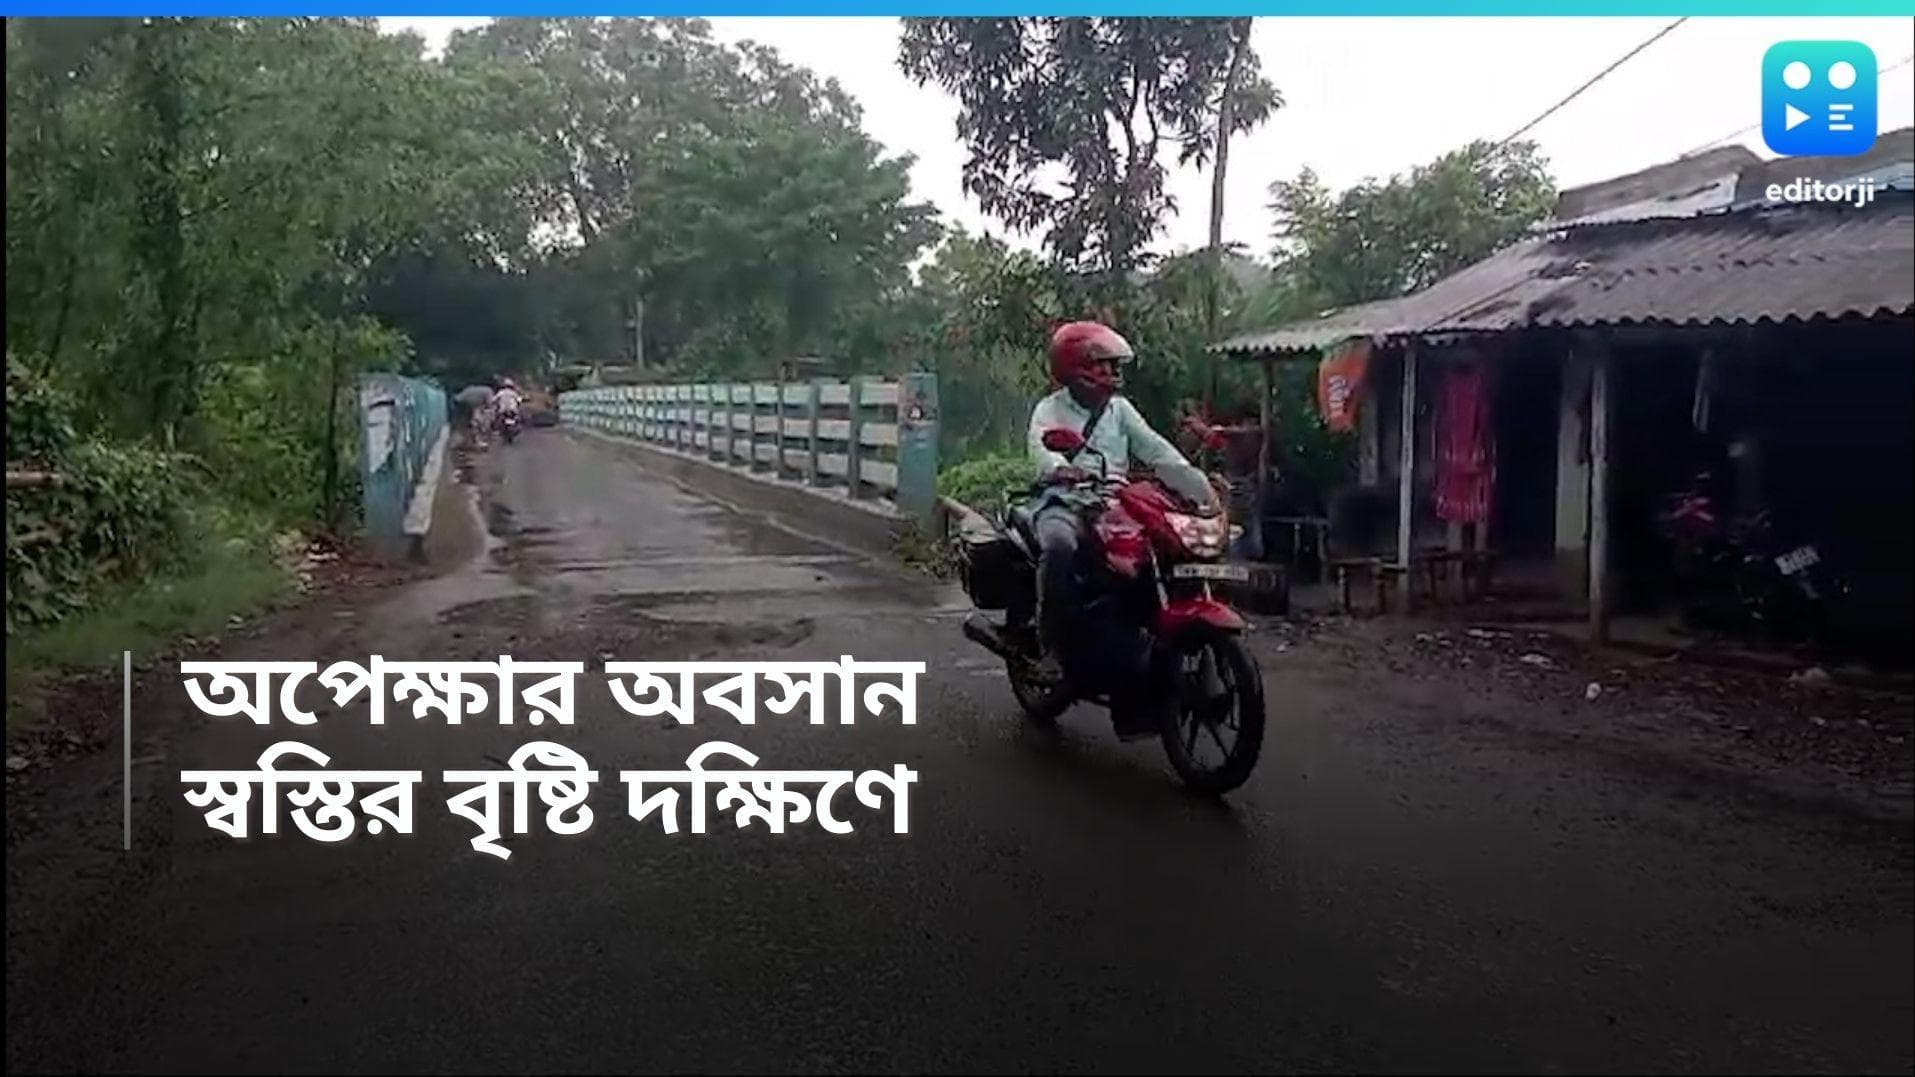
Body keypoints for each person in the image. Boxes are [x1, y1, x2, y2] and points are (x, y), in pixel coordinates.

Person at [1017, 321, 1215, 683]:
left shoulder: (1120, 410)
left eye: (1112, 365)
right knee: (1060, 548)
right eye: (1100, 364)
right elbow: (1041, 447)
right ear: (1073, 366)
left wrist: (1195, 483)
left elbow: (1156, 450)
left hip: (1116, 504)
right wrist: (1061, 469)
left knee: (1168, 543)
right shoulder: (1050, 409)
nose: (1109, 372)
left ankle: (1143, 632)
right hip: (1065, 500)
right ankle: (1051, 649)